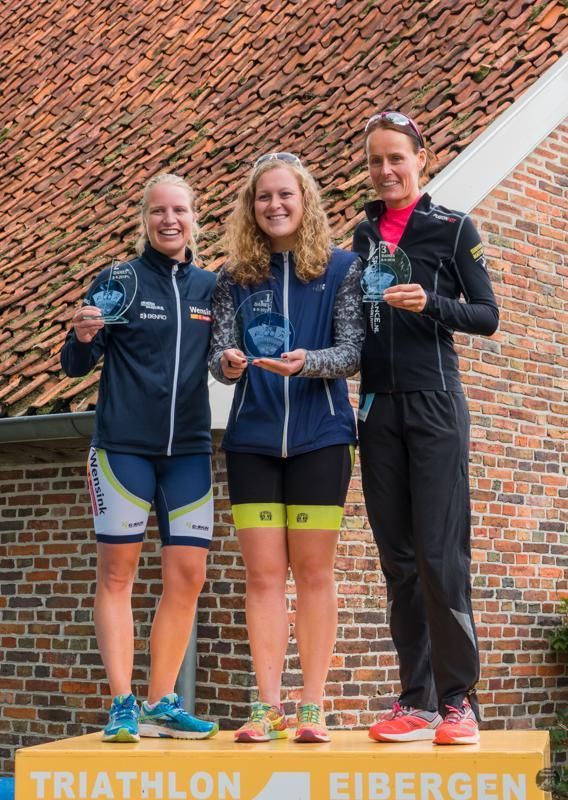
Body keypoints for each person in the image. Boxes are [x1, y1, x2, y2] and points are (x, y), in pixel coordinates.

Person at [353, 111, 499, 746]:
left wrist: (432, 304)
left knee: (441, 556)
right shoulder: (361, 237)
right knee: (399, 561)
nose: (386, 170)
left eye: (397, 158)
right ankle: (416, 701)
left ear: (421, 159)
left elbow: (487, 314)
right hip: (376, 409)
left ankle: (458, 701)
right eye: (376, 161)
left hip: (436, 404)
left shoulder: (454, 227)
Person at [209, 152, 364, 743]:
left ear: (305, 201)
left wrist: (307, 363)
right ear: (251, 207)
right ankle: (268, 706)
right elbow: (219, 359)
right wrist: (227, 364)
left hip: (321, 438)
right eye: (263, 197)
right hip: (252, 440)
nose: (274, 205)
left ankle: (312, 706)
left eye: (285, 195)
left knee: (315, 573)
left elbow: (352, 352)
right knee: (264, 576)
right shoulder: (233, 278)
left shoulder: (342, 268)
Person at [60, 173, 218, 743]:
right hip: (123, 449)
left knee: (189, 576)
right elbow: (75, 365)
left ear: (194, 218)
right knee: (117, 573)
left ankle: (160, 703)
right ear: (144, 219)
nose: (169, 220)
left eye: (179, 210)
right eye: (158, 211)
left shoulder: (212, 288)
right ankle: (122, 703)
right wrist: (81, 336)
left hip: (189, 451)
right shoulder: (119, 280)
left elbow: (227, 356)